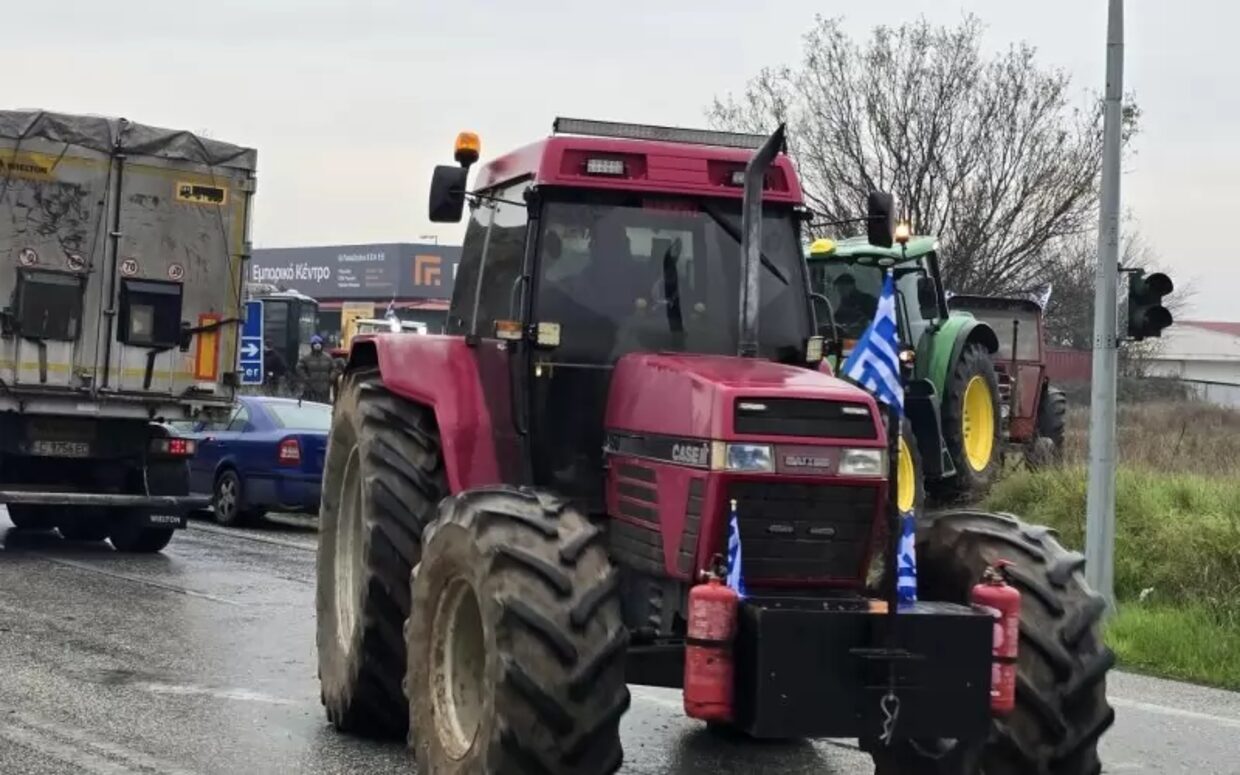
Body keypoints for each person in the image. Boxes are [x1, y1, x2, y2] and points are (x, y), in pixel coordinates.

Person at [296, 335, 339, 403]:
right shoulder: (306, 358)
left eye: (319, 343)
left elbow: (335, 368)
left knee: (323, 406)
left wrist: (331, 377)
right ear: (312, 345)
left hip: (324, 389)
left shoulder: (328, 357)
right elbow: (299, 368)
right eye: (315, 343)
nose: (317, 345)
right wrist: (306, 378)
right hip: (311, 389)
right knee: (311, 406)